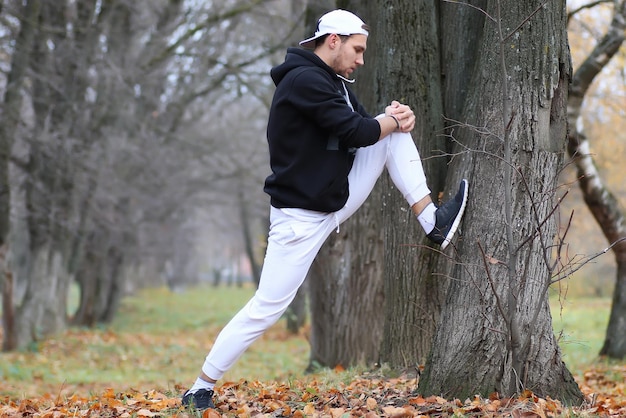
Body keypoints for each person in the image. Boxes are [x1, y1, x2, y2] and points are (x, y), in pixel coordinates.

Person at [181, 9, 468, 410]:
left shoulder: (335, 82)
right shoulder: (303, 81)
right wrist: (388, 120)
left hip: (334, 197)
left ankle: (433, 223)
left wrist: (396, 119)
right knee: (266, 309)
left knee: (393, 135)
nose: (361, 59)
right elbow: (356, 130)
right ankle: (200, 387)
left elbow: (369, 129)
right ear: (333, 39)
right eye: (357, 49)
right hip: (299, 219)